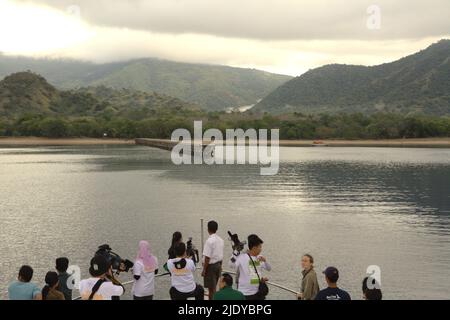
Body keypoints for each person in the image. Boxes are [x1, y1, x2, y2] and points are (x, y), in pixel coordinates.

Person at [229, 234, 271, 300]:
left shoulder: (260, 257)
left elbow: (269, 268)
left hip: (258, 292)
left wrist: (265, 261)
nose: (261, 249)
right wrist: (235, 251)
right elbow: (231, 265)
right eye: (260, 247)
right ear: (254, 248)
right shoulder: (242, 257)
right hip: (245, 294)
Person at [202, 220, 224, 300]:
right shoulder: (221, 240)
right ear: (216, 229)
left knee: (211, 289)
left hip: (210, 267)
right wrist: (221, 266)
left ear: (208, 229)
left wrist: (204, 270)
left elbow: (207, 257)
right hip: (218, 265)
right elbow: (221, 255)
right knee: (214, 287)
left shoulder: (209, 241)